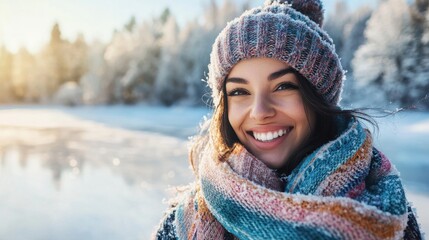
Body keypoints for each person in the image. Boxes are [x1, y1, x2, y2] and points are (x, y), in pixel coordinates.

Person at [153, 0, 422, 239]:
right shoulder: (184, 225)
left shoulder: (388, 215)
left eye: (283, 87)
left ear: (318, 98)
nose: (260, 111)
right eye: (239, 91)